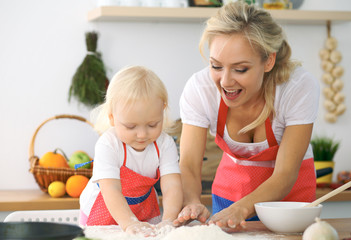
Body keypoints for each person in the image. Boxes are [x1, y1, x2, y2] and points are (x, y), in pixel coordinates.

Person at [174, 1, 320, 229]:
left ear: (268, 61)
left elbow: (285, 173)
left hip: (289, 204)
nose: (225, 81)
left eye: (240, 69)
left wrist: (242, 208)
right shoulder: (200, 89)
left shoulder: (297, 87)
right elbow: (190, 165)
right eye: (216, 66)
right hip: (229, 196)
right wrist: (192, 202)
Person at [79, 65, 183, 236]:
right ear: (112, 117)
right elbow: (111, 189)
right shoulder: (108, 144)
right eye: (130, 126)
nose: (142, 135)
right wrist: (129, 223)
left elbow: (172, 185)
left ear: (162, 111)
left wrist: (169, 219)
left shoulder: (165, 144)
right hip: (103, 209)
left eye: (152, 124)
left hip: (144, 209)